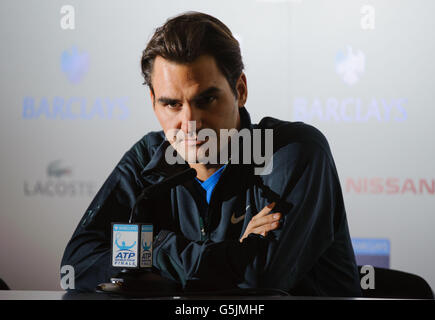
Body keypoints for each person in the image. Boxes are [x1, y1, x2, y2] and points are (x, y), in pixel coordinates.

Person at [60, 11, 362, 296]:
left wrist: (145, 252)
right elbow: (77, 264)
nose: (190, 123)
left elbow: (259, 282)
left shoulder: (293, 151)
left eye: (206, 100)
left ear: (240, 90)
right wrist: (189, 251)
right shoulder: (148, 158)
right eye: (171, 104)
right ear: (152, 102)